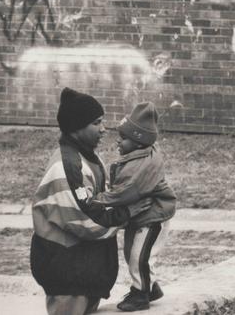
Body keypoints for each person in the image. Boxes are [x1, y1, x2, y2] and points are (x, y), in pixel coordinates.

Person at [30, 87, 151, 315]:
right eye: (96, 123)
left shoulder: (87, 158)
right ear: (77, 126)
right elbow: (87, 221)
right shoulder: (66, 168)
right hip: (67, 274)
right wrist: (127, 213)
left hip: (82, 271)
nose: (104, 129)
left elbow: (102, 202)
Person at [92, 101, 177, 312]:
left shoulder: (142, 167)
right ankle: (151, 288)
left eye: (123, 138)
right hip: (142, 216)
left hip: (153, 217)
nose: (118, 141)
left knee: (139, 257)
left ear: (139, 142)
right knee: (133, 254)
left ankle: (140, 295)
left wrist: (97, 199)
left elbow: (124, 193)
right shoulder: (140, 152)